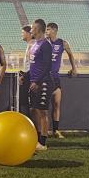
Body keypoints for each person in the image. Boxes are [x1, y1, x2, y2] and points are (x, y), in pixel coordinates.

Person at [45, 22, 78, 139]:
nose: (46, 31)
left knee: (56, 104)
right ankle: (44, 131)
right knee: (44, 107)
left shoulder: (62, 43)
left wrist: (74, 68)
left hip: (56, 78)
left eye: (48, 29)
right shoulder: (44, 42)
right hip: (44, 78)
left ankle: (56, 130)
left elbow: (70, 54)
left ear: (54, 30)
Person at [28, 19, 54, 151]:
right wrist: (26, 76)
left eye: (32, 28)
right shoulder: (34, 44)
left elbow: (47, 66)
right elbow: (34, 65)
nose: (30, 30)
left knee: (43, 112)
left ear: (38, 29)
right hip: (34, 82)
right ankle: (37, 138)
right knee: (34, 110)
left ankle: (43, 143)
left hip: (43, 83)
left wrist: (37, 81)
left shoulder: (46, 45)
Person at [18, 25, 34, 117]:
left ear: (29, 34)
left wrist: (24, 76)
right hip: (28, 76)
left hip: (30, 78)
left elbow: (33, 65)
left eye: (23, 32)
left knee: (26, 102)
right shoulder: (30, 44)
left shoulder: (32, 45)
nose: (22, 34)